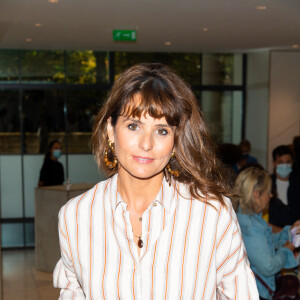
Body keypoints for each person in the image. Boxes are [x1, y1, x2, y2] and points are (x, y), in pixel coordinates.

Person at [53, 63, 259, 299]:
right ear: (111, 130)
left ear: (176, 139)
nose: (147, 143)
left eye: (162, 130)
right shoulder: (76, 217)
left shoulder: (211, 213)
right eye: (133, 126)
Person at [232, 166, 299, 300]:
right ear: (256, 195)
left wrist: (289, 232)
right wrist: (286, 251)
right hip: (257, 292)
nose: (271, 195)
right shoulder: (250, 227)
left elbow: (267, 241)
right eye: (268, 192)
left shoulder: (248, 217)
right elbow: (268, 267)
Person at [268, 145, 300, 227]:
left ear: (292, 163)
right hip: (272, 232)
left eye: (288, 162)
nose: (285, 166)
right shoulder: (267, 184)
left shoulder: (297, 184)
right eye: (280, 162)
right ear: (274, 163)